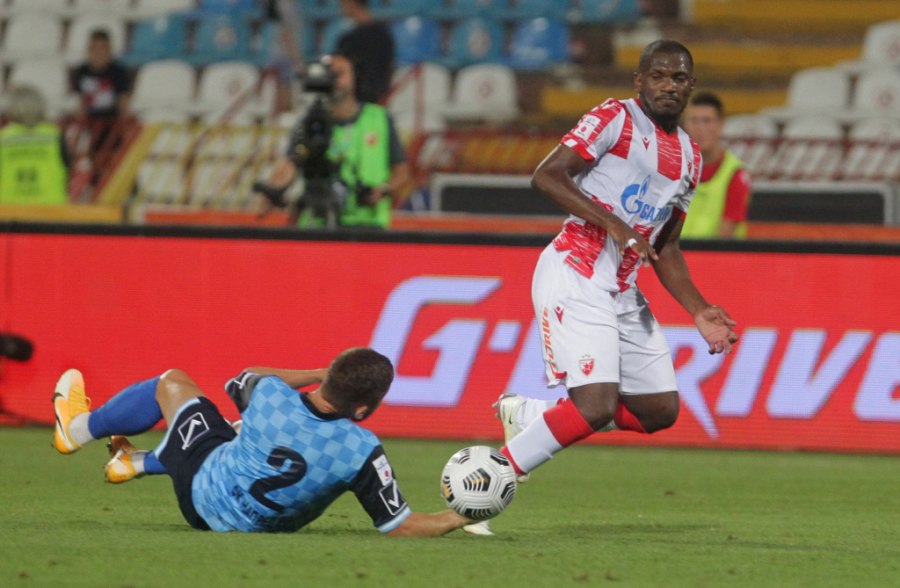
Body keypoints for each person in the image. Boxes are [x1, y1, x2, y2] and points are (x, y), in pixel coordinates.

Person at [494, 40, 739, 483]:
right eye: (658, 76)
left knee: (659, 411)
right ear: (639, 81)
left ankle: (531, 414)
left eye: (678, 78)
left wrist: (699, 309)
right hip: (576, 270)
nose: (668, 86)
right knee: (595, 406)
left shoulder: (690, 157)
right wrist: (616, 225)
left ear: (691, 85)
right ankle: (492, 477)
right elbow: (547, 175)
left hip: (623, 289)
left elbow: (667, 246)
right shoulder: (615, 117)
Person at [51, 348, 478, 536]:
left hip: (202, 496)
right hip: (261, 527)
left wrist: (318, 374)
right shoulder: (362, 448)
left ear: (329, 377)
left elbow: (244, 377)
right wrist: (463, 514)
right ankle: (137, 461)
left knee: (172, 383)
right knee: (238, 433)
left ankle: (77, 430)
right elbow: (400, 525)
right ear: (363, 409)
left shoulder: (270, 397)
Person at [258, 53, 409, 228]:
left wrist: (382, 190)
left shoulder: (378, 119)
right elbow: (291, 163)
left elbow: (402, 173)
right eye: (328, 74)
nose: (333, 80)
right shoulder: (311, 122)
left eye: (339, 73)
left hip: (367, 224)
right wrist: (273, 190)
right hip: (317, 223)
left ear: (355, 78)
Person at [681, 91, 751, 239]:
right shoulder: (672, 169)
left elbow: (724, 241)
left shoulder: (734, 175)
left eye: (706, 121)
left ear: (720, 125)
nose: (699, 128)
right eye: (694, 121)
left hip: (711, 253)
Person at [0, 86, 69, 204]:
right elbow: (68, 167)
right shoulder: (55, 135)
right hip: (51, 207)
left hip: (10, 208)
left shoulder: (4, 137)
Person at [335, 0, 395, 104]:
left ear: (351, 3)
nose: (340, 8)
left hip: (361, 102)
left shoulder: (349, 40)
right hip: (379, 100)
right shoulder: (384, 34)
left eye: (342, 3)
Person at [70, 29, 131, 120]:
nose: (99, 53)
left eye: (103, 48)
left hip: (112, 121)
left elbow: (123, 105)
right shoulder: (80, 72)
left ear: (110, 50)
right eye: (95, 49)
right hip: (88, 122)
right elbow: (79, 105)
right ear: (89, 50)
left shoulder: (119, 72)